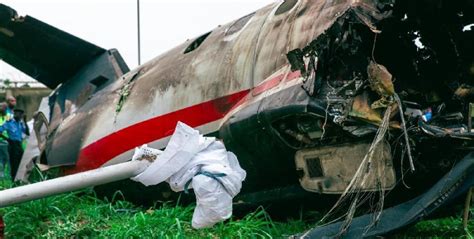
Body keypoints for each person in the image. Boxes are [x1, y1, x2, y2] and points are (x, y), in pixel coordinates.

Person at [0, 109, 29, 179]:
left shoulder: (20, 124)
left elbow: (27, 133)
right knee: (14, 163)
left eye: (20, 114)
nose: (17, 115)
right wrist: (7, 139)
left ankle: (20, 178)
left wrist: (25, 121)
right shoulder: (9, 122)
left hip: (19, 144)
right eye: (16, 113)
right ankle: (14, 179)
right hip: (12, 144)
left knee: (21, 162)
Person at [0, 103, 9, 178]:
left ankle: (9, 174)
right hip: (2, 140)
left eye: (1, 106)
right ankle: (1, 175)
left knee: (8, 158)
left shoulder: (8, 116)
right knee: (1, 158)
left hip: (7, 141)